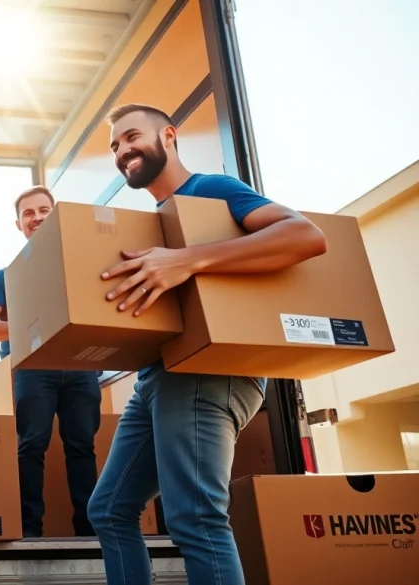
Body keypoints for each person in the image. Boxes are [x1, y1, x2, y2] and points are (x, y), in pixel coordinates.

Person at [86, 104, 327, 585]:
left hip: (209, 372)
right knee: (109, 508)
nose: (122, 150)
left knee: (195, 516)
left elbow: (305, 236)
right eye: (114, 145)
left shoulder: (210, 191)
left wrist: (188, 260)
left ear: (169, 136)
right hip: (159, 378)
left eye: (132, 136)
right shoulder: (154, 222)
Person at [0, 186, 103, 538]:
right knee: (31, 446)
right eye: (29, 213)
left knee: (82, 448)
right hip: (32, 369)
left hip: (79, 367)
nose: (37, 218)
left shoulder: (78, 266)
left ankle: (89, 532)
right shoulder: (5, 276)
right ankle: (29, 531)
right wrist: (35, 324)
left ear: (55, 214)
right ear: (18, 224)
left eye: (44, 210)